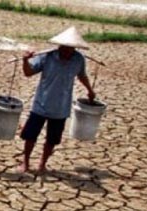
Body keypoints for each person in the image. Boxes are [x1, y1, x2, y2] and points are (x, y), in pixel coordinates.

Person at [19, 26, 97, 173]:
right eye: (65, 47)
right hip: (41, 104)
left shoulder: (78, 59)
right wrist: (25, 61)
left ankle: (42, 163)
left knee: (52, 140)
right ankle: (26, 162)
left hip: (61, 108)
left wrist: (90, 90)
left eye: (71, 48)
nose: (67, 50)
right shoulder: (47, 56)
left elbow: (82, 75)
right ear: (59, 45)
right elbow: (28, 72)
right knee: (30, 136)